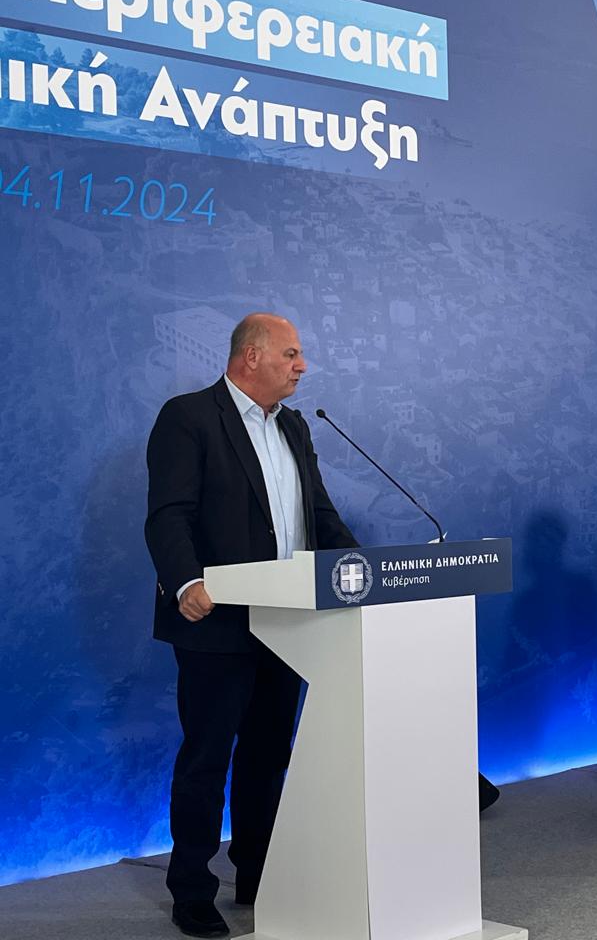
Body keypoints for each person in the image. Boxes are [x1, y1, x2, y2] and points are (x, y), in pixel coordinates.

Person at [145, 313, 357, 938]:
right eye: (291, 354)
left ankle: (260, 875)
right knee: (208, 759)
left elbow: (318, 515)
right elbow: (168, 515)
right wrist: (186, 582)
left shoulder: (293, 425)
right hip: (216, 621)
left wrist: (368, 573)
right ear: (252, 357)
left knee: (268, 757)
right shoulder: (189, 416)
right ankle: (191, 891)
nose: (302, 365)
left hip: (287, 621)